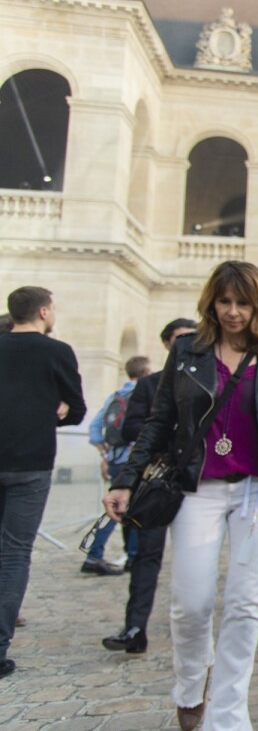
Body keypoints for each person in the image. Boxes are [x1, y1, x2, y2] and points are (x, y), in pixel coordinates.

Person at [103, 262, 258, 730]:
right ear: (211, 303)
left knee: (244, 604)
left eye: (242, 302)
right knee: (191, 601)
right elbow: (159, 422)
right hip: (198, 489)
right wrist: (124, 480)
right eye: (224, 301)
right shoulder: (187, 352)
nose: (233, 312)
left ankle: (229, 714)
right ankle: (191, 683)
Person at [0, 286, 87, 679]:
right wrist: (49, 420)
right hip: (31, 461)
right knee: (15, 554)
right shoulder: (56, 351)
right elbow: (77, 407)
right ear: (42, 312)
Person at [101, 318, 197, 654]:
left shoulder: (211, 382)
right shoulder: (149, 384)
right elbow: (133, 430)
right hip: (158, 480)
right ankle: (135, 626)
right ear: (168, 345)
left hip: (197, 483)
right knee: (146, 554)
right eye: (180, 339)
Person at [82, 355, 152, 576]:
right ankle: (106, 555)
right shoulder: (144, 394)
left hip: (114, 458)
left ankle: (123, 555)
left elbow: (94, 430)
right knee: (128, 510)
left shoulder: (116, 395)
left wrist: (105, 454)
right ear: (146, 373)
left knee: (120, 508)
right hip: (135, 460)